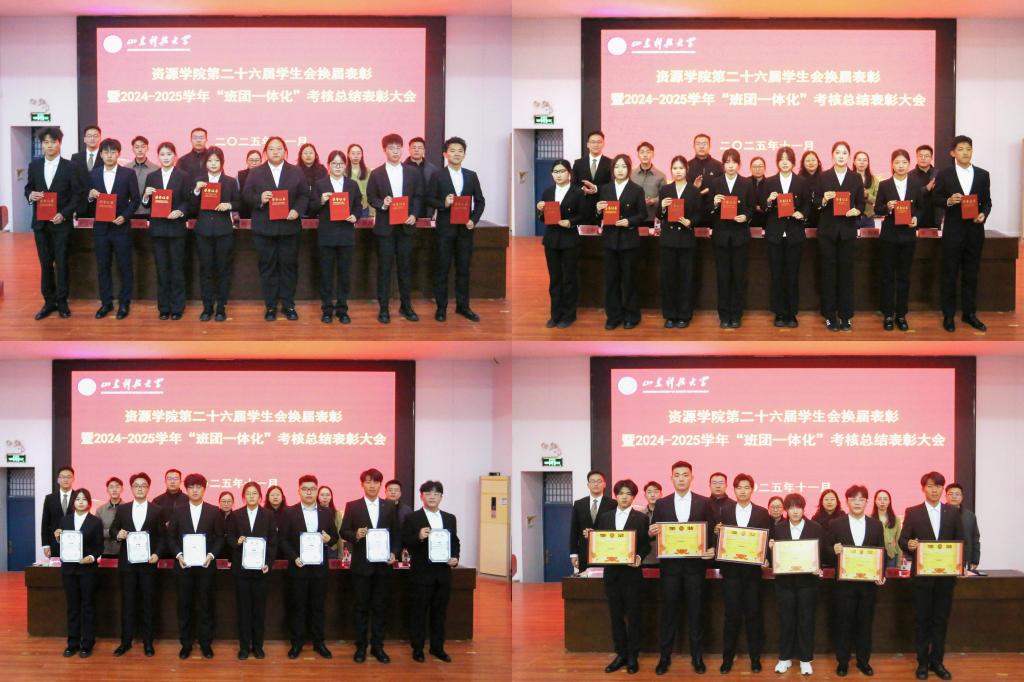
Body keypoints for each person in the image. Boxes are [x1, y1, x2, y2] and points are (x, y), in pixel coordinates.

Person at [649, 460, 717, 675]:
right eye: (677, 475)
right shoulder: (662, 504)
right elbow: (654, 531)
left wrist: (712, 548)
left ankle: (697, 657)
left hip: (695, 568)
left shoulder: (704, 502)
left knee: (696, 613)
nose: (681, 478)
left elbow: (711, 532)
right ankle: (664, 657)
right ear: (671, 478)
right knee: (668, 613)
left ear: (691, 477)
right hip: (670, 569)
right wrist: (651, 532)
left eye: (685, 475)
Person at [898, 471, 965, 681]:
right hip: (922, 578)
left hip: (945, 578)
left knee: (940, 620)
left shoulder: (952, 513)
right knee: (922, 620)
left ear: (942, 489)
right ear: (923, 488)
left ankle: (938, 662)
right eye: (930, 486)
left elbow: (961, 541)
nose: (934, 490)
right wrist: (909, 545)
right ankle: (922, 663)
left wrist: (959, 564)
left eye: (938, 486)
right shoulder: (913, 512)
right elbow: (903, 540)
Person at [242, 136, 311, 321]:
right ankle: (271, 306)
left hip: (289, 228)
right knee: (268, 268)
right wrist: (259, 198)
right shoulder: (256, 172)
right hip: (264, 229)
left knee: (289, 267)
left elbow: (304, 195)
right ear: (265, 152)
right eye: (271, 149)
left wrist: (297, 210)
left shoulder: (296, 171)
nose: (275, 152)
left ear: (285, 151)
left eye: (279, 148)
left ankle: (288, 305)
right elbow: (246, 195)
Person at [587, 479, 650, 674]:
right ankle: (621, 654)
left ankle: (632, 656)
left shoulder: (641, 518)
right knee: (615, 616)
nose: (624, 497)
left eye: (628, 494)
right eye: (621, 493)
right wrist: (592, 538)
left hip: (632, 575)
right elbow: (600, 542)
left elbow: (645, 545)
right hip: (612, 574)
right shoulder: (605, 517)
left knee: (634, 616)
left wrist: (639, 556)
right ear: (616, 495)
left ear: (633, 497)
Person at [341, 468, 401, 664]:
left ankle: (378, 647)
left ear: (380, 484)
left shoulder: (390, 506)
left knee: (380, 607)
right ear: (362, 484)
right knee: (361, 608)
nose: (372, 485)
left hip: (383, 566)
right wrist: (355, 535)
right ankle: (361, 647)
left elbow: (397, 534)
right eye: (368, 481)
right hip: (361, 567)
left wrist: (394, 553)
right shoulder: (353, 506)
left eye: (376, 482)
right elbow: (344, 531)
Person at [934, 135, 992, 333]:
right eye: (960, 149)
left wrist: (984, 214)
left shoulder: (983, 174)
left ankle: (969, 314)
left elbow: (987, 201)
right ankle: (948, 315)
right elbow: (936, 199)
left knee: (971, 274)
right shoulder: (945, 174)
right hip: (953, 230)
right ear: (953, 153)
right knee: (950, 274)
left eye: (968, 149)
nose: (965, 152)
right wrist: (949, 201)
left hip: (975, 231)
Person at [24, 126, 83, 320]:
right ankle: (48, 302)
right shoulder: (34, 166)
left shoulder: (71, 166)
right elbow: (28, 188)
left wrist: (64, 214)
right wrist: (30, 195)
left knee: (62, 263)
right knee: (45, 263)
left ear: (60, 143)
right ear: (42, 145)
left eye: (53, 142)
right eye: (46, 142)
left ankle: (62, 301)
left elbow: (77, 195)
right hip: (41, 225)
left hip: (62, 224)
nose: (49, 145)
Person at [366, 133, 425, 324]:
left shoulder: (412, 172)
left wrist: (414, 215)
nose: (396, 151)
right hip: (385, 228)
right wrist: (382, 204)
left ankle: (406, 306)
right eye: (391, 148)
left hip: (406, 227)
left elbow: (418, 196)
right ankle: (383, 308)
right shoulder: (376, 173)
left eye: (398, 148)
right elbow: (371, 197)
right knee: (384, 269)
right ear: (384, 150)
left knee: (405, 268)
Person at [278, 474, 338, 659]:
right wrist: (294, 557)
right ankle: (296, 644)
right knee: (298, 607)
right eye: (305, 489)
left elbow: (334, 537)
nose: (309, 492)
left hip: (320, 569)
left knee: (318, 607)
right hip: (298, 567)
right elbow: (283, 539)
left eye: (312, 489)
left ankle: (319, 643)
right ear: (299, 491)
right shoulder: (289, 512)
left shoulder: (326, 512)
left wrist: (329, 539)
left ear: (317, 491)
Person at [716, 473, 771, 674]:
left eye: (747, 487)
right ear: (734, 489)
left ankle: (755, 658)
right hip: (731, 573)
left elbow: (767, 540)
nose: (743, 491)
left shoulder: (762, 513)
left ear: (752, 489)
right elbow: (720, 540)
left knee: (753, 616)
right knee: (731, 616)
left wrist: (766, 558)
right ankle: (727, 658)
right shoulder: (725, 511)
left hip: (753, 574)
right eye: (739, 487)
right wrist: (717, 535)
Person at [401, 480, 462, 663]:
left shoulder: (450, 518)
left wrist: (455, 558)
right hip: (421, 574)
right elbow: (405, 541)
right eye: (428, 493)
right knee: (418, 613)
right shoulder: (412, 518)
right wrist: (419, 537)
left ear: (441, 497)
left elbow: (455, 541)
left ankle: (438, 648)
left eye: (436, 494)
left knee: (440, 613)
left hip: (443, 575)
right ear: (421, 496)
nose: (432, 497)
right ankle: (418, 649)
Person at [428, 136, 486, 322]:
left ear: (464, 155)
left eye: (460, 151)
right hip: (445, 230)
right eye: (452, 151)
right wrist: (444, 203)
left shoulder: (471, 175)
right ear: (445, 154)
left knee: (464, 269)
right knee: (442, 269)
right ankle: (441, 308)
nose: (456, 154)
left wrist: (473, 220)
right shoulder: (438, 175)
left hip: (465, 231)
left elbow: (480, 201)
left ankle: (463, 306)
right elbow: (430, 199)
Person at [830, 485, 886, 677]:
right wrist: (833, 550)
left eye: (861, 499)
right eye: (853, 499)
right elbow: (826, 549)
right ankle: (843, 662)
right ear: (847, 501)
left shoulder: (875, 525)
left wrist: (881, 574)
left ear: (866, 502)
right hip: (844, 586)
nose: (857, 503)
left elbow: (881, 551)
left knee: (865, 625)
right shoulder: (836, 524)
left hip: (867, 586)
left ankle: (863, 661)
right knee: (843, 625)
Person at [770, 493, 827, 676]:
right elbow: (774, 558)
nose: (795, 511)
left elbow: (823, 553)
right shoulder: (778, 529)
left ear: (803, 509)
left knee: (806, 621)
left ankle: (805, 660)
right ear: (786, 510)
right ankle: (784, 658)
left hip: (808, 583)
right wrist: (771, 549)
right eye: (791, 508)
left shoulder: (815, 528)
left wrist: (818, 566)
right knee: (786, 621)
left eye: (798, 507)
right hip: (784, 584)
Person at [168, 472, 224, 660]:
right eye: (191, 487)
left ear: (204, 489)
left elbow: (219, 537)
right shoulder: (178, 511)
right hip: (183, 567)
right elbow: (171, 537)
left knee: (205, 606)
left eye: (198, 487)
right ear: (186, 489)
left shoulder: (214, 511)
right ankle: (186, 644)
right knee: (184, 606)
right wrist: (178, 555)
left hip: (206, 568)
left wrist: (211, 555)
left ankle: (206, 644)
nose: (194, 490)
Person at [86, 137, 141, 320]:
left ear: (118, 154)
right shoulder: (93, 174)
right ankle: (106, 303)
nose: (109, 155)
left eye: (113, 152)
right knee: (103, 267)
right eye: (106, 152)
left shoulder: (128, 174)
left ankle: (124, 303)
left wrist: (124, 216)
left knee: (125, 266)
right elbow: (87, 202)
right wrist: (90, 196)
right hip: (101, 229)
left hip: (121, 227)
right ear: (101, 155)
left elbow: (135, 200)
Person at [110, 472, 164, 658]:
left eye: (143, 485)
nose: (140, 488)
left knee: (148, 603)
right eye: (136, 485)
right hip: (128, 565)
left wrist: (157, 554)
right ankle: (125, 642)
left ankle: (148, 643)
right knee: (128, 603)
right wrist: (118, 534)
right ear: (131, 488)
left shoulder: (157, 510)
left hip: (148, 564)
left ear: (148, 488)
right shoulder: (123, 509)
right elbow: (113, 529)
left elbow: (162, 536)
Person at [817, 140, 865, 331]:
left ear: (849, 156)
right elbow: (816, 202)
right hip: (827, 232)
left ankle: (846, 316)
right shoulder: (824, 176)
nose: (841, 156)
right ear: (832, 155)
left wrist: (856, 211)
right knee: (828, 275)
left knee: (846, 275)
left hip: (847, 232)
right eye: (838, 152)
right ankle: (830, 316)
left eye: (844, 153)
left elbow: (861, 204)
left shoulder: (855, 178)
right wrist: (823, 199)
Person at [596, 153, 648, 330]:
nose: (620, 170)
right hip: (609, 241)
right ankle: (613, 316)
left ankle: (632, 316)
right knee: (611, 280)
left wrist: (629, 221)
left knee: (629, 280)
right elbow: (599, 215)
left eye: (624, 167)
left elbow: (643, 214)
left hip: (629, 241)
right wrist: (598, 209)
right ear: (612, 170)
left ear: (629, 169)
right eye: (617, 166)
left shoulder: (636, 189)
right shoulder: (605, 189)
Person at [876, 148, 925, 331]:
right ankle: (888, 314)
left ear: (909, 164)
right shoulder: (885, 185)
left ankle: (902, 315)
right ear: (892, 164)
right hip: (889, 236)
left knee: (904, 276)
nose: (901, 166)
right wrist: (887, 208)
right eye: (897, 162)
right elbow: (877, 209)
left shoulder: (916, 184)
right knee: (888, 276)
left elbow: (921, 208)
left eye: (904, 162)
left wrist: (916, 218)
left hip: (908, 236)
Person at [227, 481, 277, 660]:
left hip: (261, 571)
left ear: (260, 496)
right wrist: (237, 542)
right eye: (248, 493)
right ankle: (243, 647)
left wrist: (269, 563)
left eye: (254, 493)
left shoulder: (268, 515)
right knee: (243, 611)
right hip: (241, 571)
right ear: (243, 497)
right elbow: (229, 537)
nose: (251, 496)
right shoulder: (235, 515)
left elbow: (273, 542)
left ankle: (258, 646)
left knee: (259, 611)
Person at [761, 146, 810, 328]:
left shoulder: (801, 182)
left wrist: (802, 214)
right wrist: (768, 200)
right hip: (775, 234)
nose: (784, 162)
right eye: (781, 159)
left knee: (792, 274)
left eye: (788, 159)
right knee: (776, 275)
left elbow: (807, 204)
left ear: (793, 162)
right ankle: (779, 313)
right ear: (777, 162)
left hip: (794, 234)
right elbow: (763, 207)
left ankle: (791, 313)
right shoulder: (770, 182)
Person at [142, 141, 190, 320]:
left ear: (175, 156)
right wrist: (146, 196)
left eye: (169, 154)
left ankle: (177, 307)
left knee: (177, 269)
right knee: (161, 269)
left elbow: (188, 201)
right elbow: (146, 204)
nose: (166, 157)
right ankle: (164, 307)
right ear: (158, 157)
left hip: (176, 228)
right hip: (158, 229)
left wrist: (180, 211)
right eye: (162, 154)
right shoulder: (152, 176)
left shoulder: (183, 176)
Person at [191, 147, 240, 322]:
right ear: (205, 163)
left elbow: (239, 202)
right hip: (203, 231)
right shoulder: (198, 181)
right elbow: (191, 207)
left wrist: (230, 205)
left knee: (223, 270)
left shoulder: (230, 181)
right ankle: (207, 307)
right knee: (206, 270)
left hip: (223, 231)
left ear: (222, 162)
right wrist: (196, 191)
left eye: (216, 161)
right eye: (210, 161)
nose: (213, 164)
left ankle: (221, 307)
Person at [313, 149, 361, 324]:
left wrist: (355, 216)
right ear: (328, 166)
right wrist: (321, 200)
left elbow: (358, 206)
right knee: (326, 274)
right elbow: (311, 207)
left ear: (345, 166)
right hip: (327, 235)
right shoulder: (320, 185)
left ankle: (342, 309)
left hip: (346, 235)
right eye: (334, 163)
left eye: (341, 163)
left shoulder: (352, 185)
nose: (338, 167)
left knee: (344, 274)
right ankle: (327, 309)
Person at [55, 489, 104, 658]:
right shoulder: (65, 520)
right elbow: (62, 545)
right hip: (69, 570)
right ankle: (72, 643)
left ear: (89, 503)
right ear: (73, 502)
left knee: (87, 606)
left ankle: (87, 643)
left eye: (84, 499)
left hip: (87, 570)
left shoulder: (95, 522)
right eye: (77, 499)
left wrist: (91, 557)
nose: (81, 502)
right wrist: (58, 537)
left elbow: (99, 546)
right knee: (72, 607)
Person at [656, 154, 702, 328]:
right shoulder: (665, 190)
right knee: (668, 279)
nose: (678, 171)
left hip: (686, 240)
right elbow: (659, 215)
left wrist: (691, 222)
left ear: (687, 170)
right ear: (671, 170)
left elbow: (699, 214)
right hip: (668, 240)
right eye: (675, 168)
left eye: (681, 168)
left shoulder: (693, 191)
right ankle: (670, 315)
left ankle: (684, 315)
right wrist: (662, 207)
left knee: (686, 278)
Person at [537, 159, 585, 328]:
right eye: (555, 172)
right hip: (551, 240)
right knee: (555, 278)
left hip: (570, 240)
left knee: (569, 278)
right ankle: (555, 315)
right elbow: (544, 219)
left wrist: (570, 222)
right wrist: (540, 211)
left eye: (562, 171)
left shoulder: (577, 192)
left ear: (569, 173)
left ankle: (569, 315)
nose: (558, 175)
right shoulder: (548, 192)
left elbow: (583, 215)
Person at [709, 149, 753, 328]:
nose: (730, 166)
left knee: (738, 276)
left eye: (734, 162)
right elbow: (707, 210)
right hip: (721, 236)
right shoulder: (715, 183)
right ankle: (724, 315)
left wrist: (746, 216)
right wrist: (714, 203)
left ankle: (736, 315)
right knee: (723, 277)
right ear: (723, 165)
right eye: (727, 162)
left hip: (740, 236)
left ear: (739, 165)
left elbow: (751, 206)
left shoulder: (746, 183)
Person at [569, 470, 615, 574]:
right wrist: (573, 554)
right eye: (592, 481)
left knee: (605, 581)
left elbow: (614, 528)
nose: (596, 484)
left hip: (606, 552)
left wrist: (595, 534)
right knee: (586, 582)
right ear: (588, 485)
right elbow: (574, 530)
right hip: (584, 552)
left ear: (604, 484)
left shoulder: (613, 504)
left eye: (599, 481)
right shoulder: (579, 504)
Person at [571, 130, 612, 219]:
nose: (596, 144)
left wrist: (596, 188)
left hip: (603, 208)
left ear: (603, 144)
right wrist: (582, 190)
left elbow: (612, 185)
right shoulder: (578, 163)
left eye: (599, 142)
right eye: (593, 142)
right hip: (582, 208)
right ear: (588, 144)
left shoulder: (611, 163)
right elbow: (573, 185)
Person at [687, 133, 724, 228]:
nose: (701, 146)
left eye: (704, 144)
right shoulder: (687, 166)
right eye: (698, 144)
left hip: (714, 213)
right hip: (692, 213)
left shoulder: (719, 166)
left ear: (710, 146)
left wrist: (711, 190)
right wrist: (694, 188)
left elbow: (723, 188)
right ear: (693, 146)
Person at [41, 465, 76, 559]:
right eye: (63, 477)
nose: (66, 479)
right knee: (56, 568)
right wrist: (45, 545)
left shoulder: (78, 497)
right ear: (58, 480)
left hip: (75, 542)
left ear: (73, 479)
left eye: (69, 477)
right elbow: (45, 523)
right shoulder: (50, 498)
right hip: (55, 543)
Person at [945, 482, 981, 572]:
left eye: (957, 494)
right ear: (945, 496)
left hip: (965, 558)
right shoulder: (939, 513)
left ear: (962, 497)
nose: (954, 497)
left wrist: (975, 560)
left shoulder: (970, 516)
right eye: (950, 494)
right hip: (943, 557)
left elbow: (975, 539)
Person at [631, 141, 666, 225]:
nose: (645, 155)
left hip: (652, 217)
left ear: (653, 154)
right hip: (634, 216)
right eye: (642, 152)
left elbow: (665, 196)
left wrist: (654, 200)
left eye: (648, 152)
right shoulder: (631, 174)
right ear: (638, 155)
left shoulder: (661, 175)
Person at [870, 489, 903, 568]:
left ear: (889, 501)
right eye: (880, 499)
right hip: (875, 555)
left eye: (885, 499)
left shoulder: (896, 519)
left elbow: (899, 541)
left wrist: (899, 562)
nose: (882, 502)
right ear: (875, 501)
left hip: (891, 556)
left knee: (890, 576)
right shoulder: (869, 519)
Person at [129, 136, 159, 218]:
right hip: (129, 211)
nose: (140, 150)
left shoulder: (156, 169)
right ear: (132, 149)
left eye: (143, 147)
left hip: (149, 211)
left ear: (147, 148)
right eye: (137, 147)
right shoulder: (126, 168)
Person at [910, 144, 939, 228]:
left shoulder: (938, 174)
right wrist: (926, 188)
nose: (923, 158)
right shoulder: (909, 176)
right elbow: (910, 196)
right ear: (916, 157)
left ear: (931, 158)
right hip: (916, 219)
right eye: (920, 156)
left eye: (926, 156)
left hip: (935, 218)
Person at [297, 143, 327, 218]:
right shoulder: (295, 171)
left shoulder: (322, 170)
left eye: (311, 153)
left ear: (315, 155)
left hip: (319, 208)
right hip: (300, 209)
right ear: (300, 155)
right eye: (305, 153)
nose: (308, 155)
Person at [96, 476, 123, 558]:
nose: (114, 490)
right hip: (105, 551)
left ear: (122, 489)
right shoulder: (100, 510)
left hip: (123, 551)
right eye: (111, 487)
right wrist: (114, 533)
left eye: (117, 487)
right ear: (107, 490)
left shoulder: (128, 508)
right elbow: (97, 531)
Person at [852, 151, 881, 227]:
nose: (862, 162)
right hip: (852, 218)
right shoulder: (848, 178)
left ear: (868, 163)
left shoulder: (874, 180)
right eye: (859, 160)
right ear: (854, 162)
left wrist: (867, 196)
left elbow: (878, 200)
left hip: (868, 218)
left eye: (865, 160)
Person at [798, 150, 824, 229]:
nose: (811, 163)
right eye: (808, 160)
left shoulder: (825, 178)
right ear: (803, 163)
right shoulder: (797, 179)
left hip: (821, 218)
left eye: (813, 160)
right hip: (802, 218)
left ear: (818, 162)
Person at [345, 143, 372, 218]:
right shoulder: (344, 172)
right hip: (349, 208)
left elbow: (372, 192)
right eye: (353, 153)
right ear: (348, 155)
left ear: (362, 155)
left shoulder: (368, 172)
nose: (356, 156)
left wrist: (372, 212)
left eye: (358, 153)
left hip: (364, 208)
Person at [316, 485, 343, 559]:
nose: (325, 497)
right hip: (315, 548)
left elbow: (339, 535)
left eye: (328, 495)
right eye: (322, 495)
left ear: (331, 497)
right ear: (318, 496)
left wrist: (341, 555)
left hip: (331, 549)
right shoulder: (313, 512)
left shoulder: (337, 514)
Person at [236, 149, 263, 219]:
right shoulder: (240, 175)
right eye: (251, 160)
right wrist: (235, 213)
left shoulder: (267, 175)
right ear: (246, 161)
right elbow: (236, 196)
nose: (254, 163)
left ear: (261, 161)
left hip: (262, 213)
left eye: (257, 160)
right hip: (243, 213)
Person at [641, 481, 662, 565]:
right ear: (645, 495)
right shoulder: (640, 515)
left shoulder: (668, 513)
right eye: (649, 492)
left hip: (665, 558)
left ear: (661, 494)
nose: (652, 495)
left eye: (656, 492)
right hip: (647, 558)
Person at [748, 157, 768, 228]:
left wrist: (763, 207)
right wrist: (755, 207)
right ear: (750, 168)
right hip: (748, 220)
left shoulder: (770, 183)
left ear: (765, 168)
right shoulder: (745, 182)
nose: (757, 169)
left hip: (766, 221)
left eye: (760, 166)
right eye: (754, 166)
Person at [218, 491, 235, 560]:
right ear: (219, 502)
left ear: (233, 503)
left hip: (232, 552)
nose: (226, 504)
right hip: (217, 551)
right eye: (223, 501)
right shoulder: (214, 515)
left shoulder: (237, 516)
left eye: (229, 501)